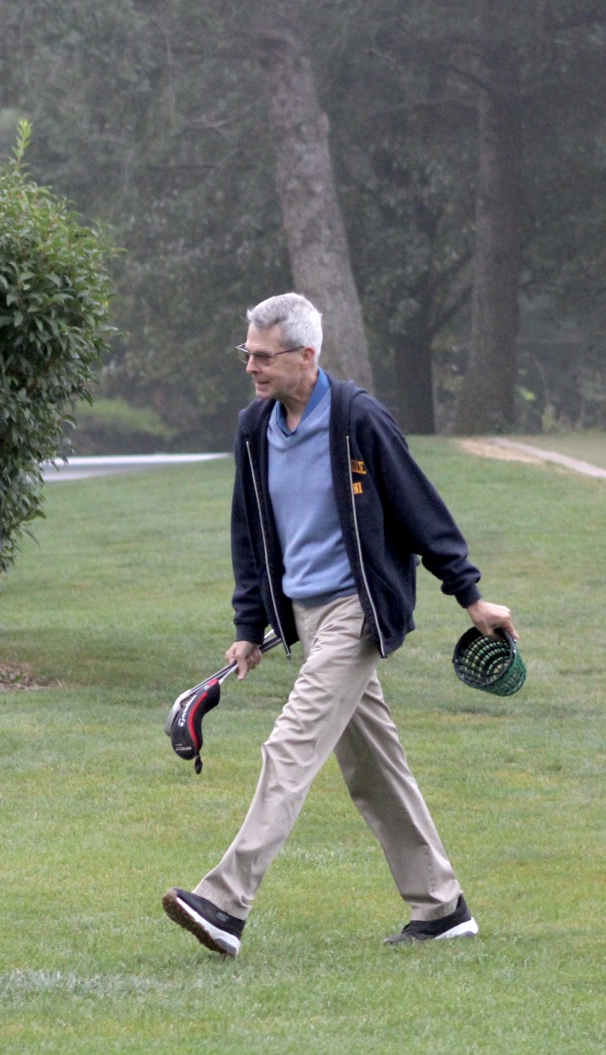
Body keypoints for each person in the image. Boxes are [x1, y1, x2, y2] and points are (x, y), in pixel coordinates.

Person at [162, 292, 517, 956]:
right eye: (247, 354)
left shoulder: (358, 420)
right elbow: (250, 533)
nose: (251, 367)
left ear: (306, 356)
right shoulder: (255, 428)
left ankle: (225, 904)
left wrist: (471, 595)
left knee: (290, 745)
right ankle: (442, 909)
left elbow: (419, 510)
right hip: (305, 613)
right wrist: (250, 626)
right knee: (373, 769)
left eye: (263, 356)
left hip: (357, 611)